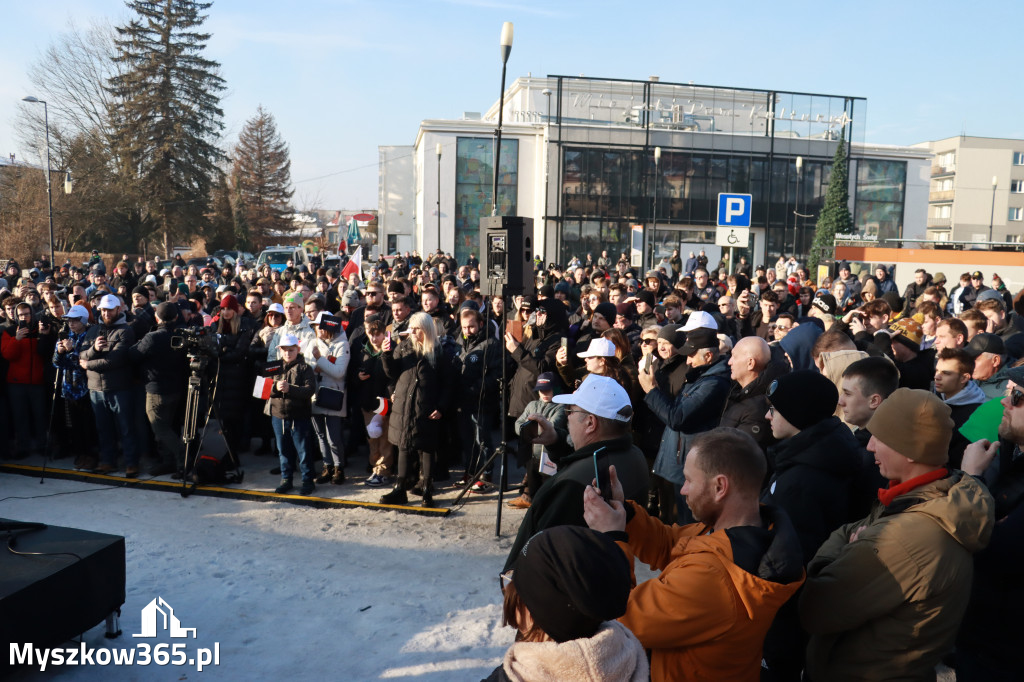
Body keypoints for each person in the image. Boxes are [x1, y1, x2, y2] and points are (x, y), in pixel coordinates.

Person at [799, 389, 995, 682]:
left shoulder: (906, 535)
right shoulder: (926, 498)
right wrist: (851, 543)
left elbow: (814, 608)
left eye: (881, 438)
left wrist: (835, 555)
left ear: (911, 450)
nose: (870, 447)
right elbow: (848, 531)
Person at [582, 427, 804, 682]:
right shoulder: (738, 529)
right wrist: (626, 516)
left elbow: (621, 618)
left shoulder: (714, 577)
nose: (683, 489)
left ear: (720, 486)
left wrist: (612, 539)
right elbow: (670, 545)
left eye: (689, 480)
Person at [759, 370, 871, 681]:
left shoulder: (803, 479)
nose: (767, 416)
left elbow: (790, 557)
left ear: (797, 415)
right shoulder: (818, 450)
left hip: (789, 611)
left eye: (774, 409)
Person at [503, 373, 649, 572]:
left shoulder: (570, 486)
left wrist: (511, 579)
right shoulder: (634, 455)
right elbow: (584, 460)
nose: (567, 416)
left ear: (590, 423)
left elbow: (539, 555)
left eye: (570, 410)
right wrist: (556, 440)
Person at [956, 364, 1024, 680]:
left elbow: (989, 550)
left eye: (1018, 396)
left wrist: (972, 479)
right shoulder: (1010, 455)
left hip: (1004, 655)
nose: (1005, 402)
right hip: (987, 640)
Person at [639, 326, 732, 523]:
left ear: (708, 356)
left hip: (690, 467)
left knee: (686, 524)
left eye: (691, 355)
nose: (688, 361)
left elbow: (677, 417)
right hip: (680, 464)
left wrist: (651, 390)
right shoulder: (700, 375)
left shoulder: (713, 383)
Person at [380, 311, 452, 507]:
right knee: (403, 446)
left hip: (427, 408)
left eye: (416, 329)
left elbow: (448, 384)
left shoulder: (439, 352)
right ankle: (400, 488)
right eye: (410, 328)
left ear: (426, 330)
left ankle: (427, 488)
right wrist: (386, 354)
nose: (411, 332)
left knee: (427, 448)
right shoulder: (403, 348)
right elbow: (391, 373)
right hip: (404, 406)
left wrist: (442, 407)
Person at [78, 294, 139, 477]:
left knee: (126, 428)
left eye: (110, 309)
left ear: (118, 310)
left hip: (119, 387)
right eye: (103, 309)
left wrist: (89, 364)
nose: (106, 313)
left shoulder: (125, 331)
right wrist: (94, 349)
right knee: (103, 429)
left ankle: (131, 463)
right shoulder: (93, 330)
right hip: (96, 388)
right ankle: (107, 461)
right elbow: (81, 354)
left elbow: (116, 360)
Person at [128, 301, 187, 476]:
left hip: (156, 391)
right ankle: (169, 462)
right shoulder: (180, 337)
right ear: (176, 317)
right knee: (166, 428)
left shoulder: (152, 337)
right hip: (176, 389)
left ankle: (183, 457)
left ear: (156, 317)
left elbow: (133, 355)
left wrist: (137, 343)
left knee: (160, 428)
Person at [269, 333, 318, 496]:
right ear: (280, 350)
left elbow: (310, 390)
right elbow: (262, 389)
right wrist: (276, 388)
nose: (288, 353)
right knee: (283, 450)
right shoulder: (274, 367)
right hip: (278, 415)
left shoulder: (305, 368)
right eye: (285, 350)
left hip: (299, 416)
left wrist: (291, 389)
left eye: (291, 350)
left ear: (297, 350)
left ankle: (307, 480)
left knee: (303, 451)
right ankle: (286, 479)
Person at [310, 312, 350, 485]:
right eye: (316, 325)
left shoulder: (343, 344)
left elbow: (339, 373)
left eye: (321, 325)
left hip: (334, 395)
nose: (317, 328)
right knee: (320, 435)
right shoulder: (313, 342)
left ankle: (339, 468)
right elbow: (307, 366)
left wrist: (319, 360)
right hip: (316, 394)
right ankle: (327, 467)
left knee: (333, 436)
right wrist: (319, 365)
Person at [933, 347, 986, 468]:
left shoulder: (976, 415)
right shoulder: (931, 399)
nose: (937, 377)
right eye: (937, 371)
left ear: (964, 378)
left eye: (946, 373)